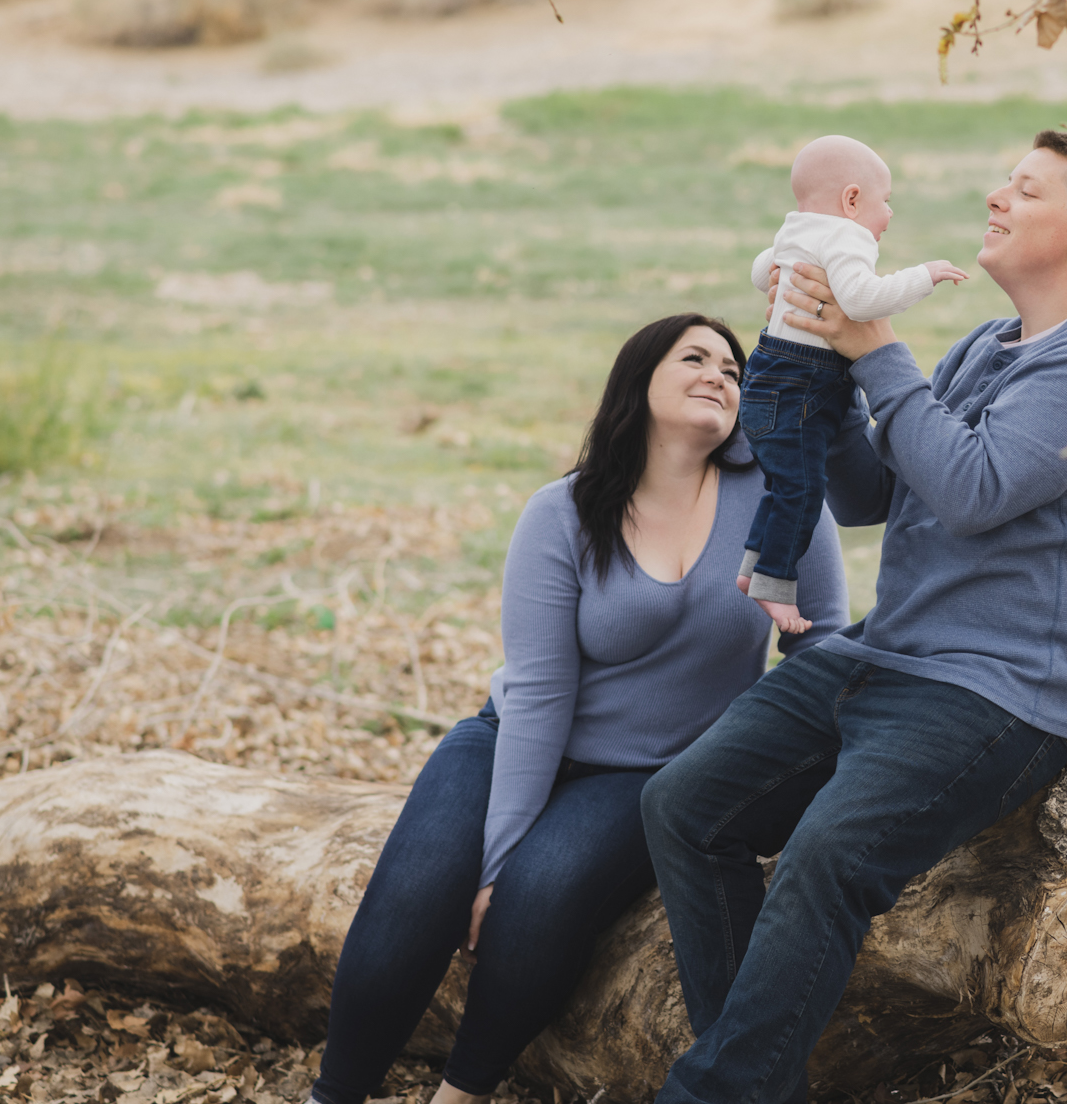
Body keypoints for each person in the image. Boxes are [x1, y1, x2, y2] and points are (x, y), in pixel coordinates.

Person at [641, 130, 1067, 1104]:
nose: (995, 196)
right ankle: (753, 1082)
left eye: (1025, 189)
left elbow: (971, 489)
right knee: (684, 806)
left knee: (826, 858)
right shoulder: (985, 345)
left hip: (1001, 688)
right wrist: (820, 364)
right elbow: (869, 494)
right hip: (892, 654)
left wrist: (877, 350)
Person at [306, 314, 847, 1104]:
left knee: (537, 898)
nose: (719, 375)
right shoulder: (564, 510)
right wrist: (494, 858)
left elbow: (822, 648)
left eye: (733, 370)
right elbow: (538, 693)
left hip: (649, 771)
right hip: (513, 738)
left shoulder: (783, 500)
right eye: (694, 357)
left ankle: (459, 1093)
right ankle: (334, 1093)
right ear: (639, 381)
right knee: (416, 894)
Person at [738, 134, 966, 633]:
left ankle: (755, 567)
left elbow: (761, 272)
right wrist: (923, 276)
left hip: (768, 370)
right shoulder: (847, 236)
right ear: (852, 200)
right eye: (886, 201)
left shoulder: (796, 228)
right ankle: (775, 586)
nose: (889, 214)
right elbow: (861, 301)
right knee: (802, 489)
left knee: (783, 481)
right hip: (803, 380)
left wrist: (780, 274)